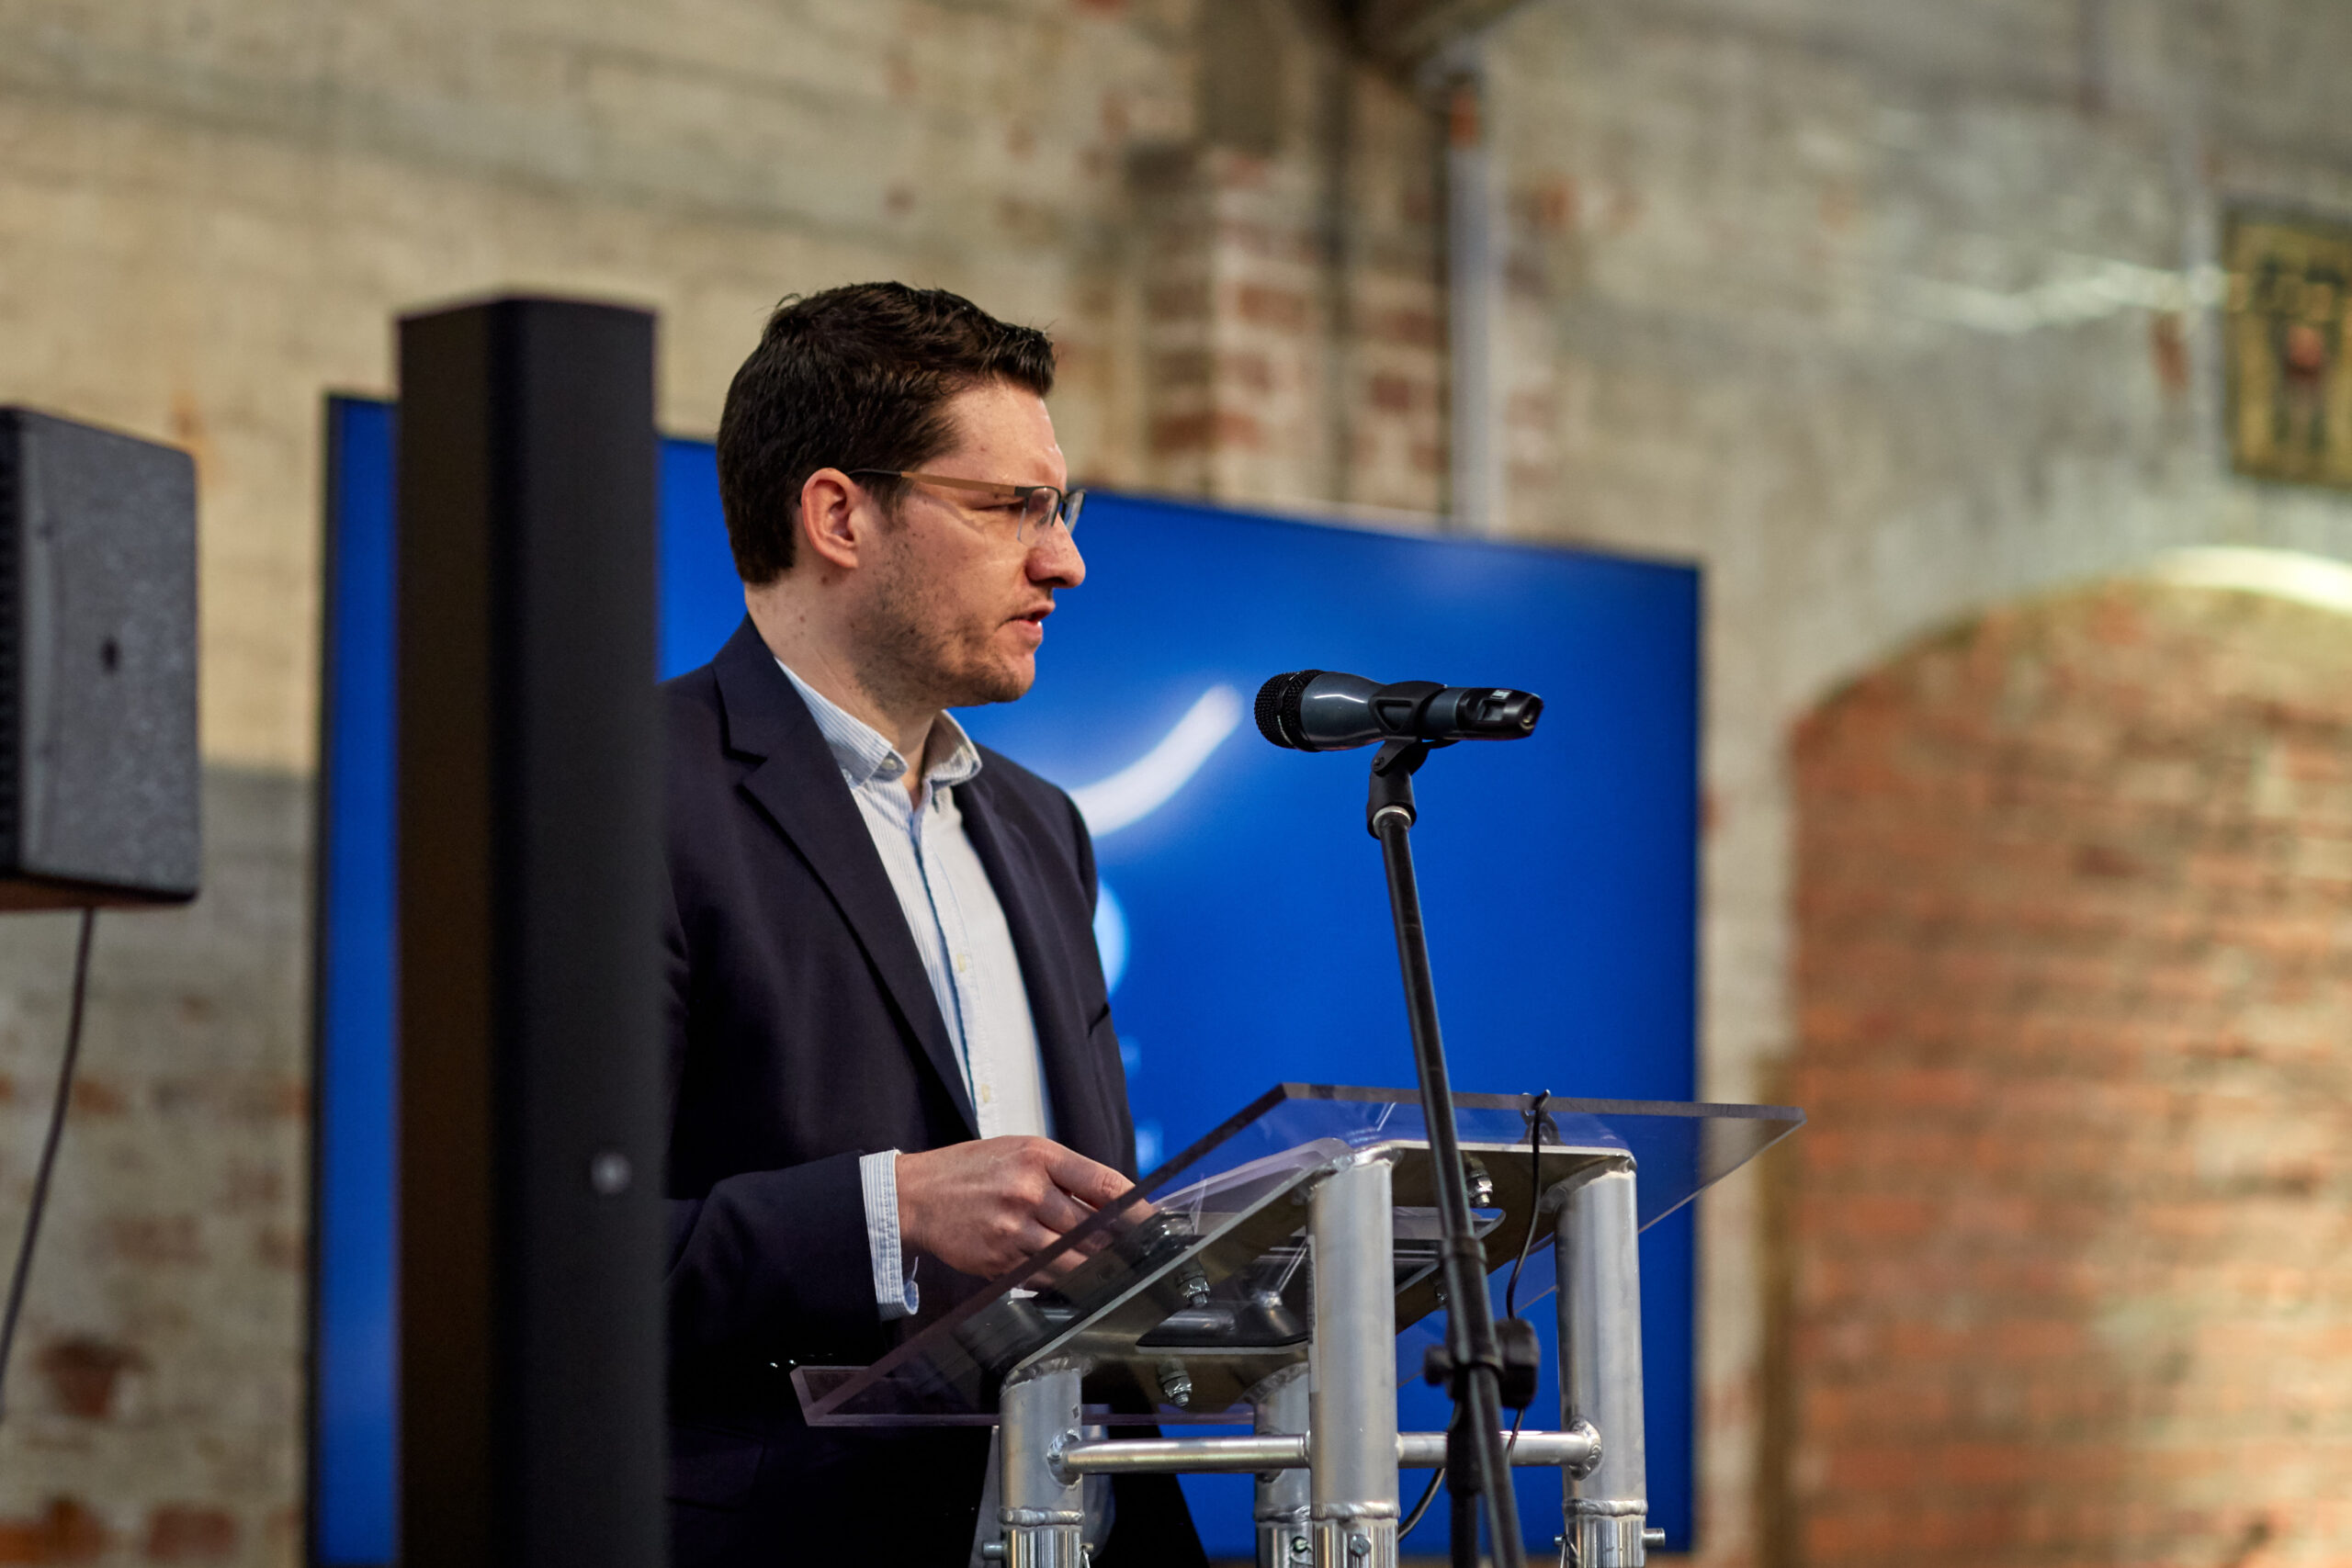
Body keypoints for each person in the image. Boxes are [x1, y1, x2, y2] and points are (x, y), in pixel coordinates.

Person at [660, 282, 1205, 1566]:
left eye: (1058, 509)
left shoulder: (1040, 827)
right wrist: (888, 1213)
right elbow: (552, 1260)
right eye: (1012, 506)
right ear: (840, 515)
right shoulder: (623, 790)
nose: (1063, 558)